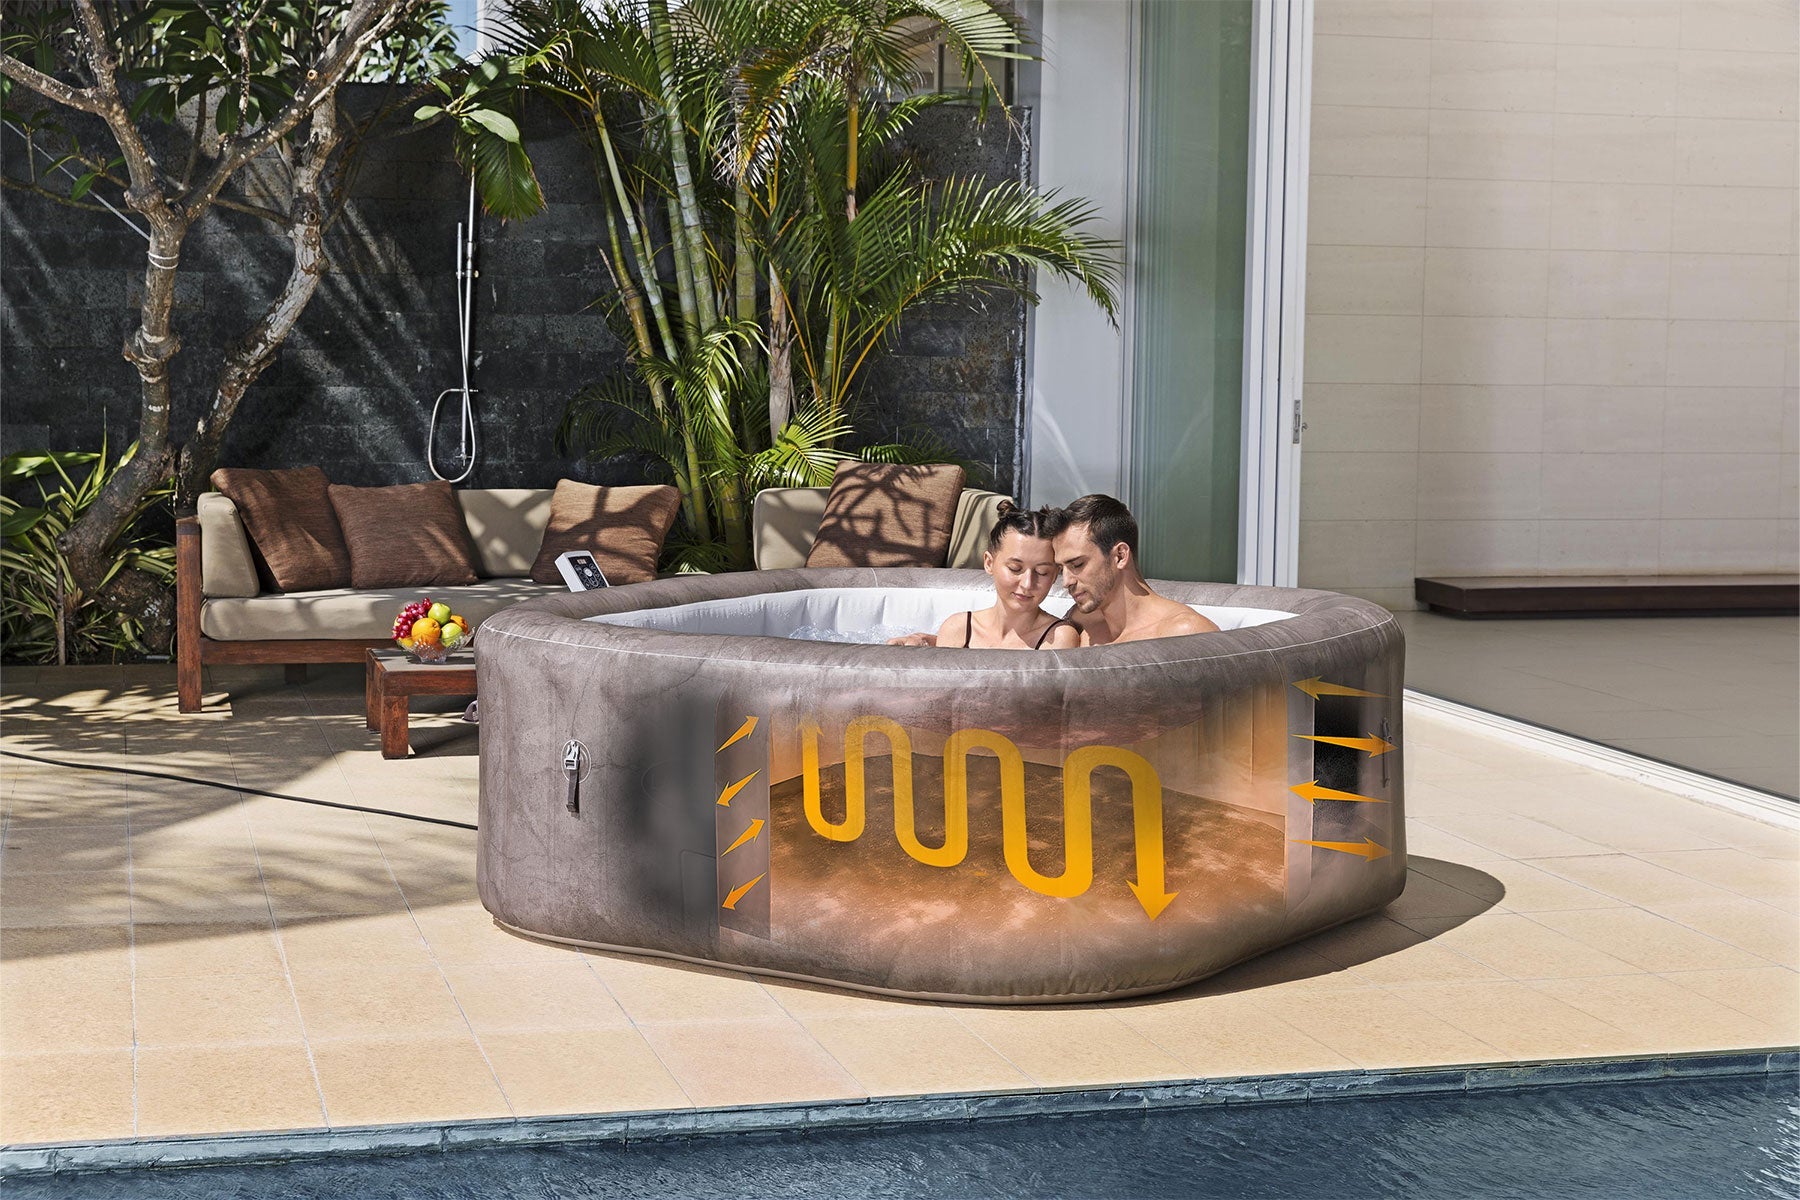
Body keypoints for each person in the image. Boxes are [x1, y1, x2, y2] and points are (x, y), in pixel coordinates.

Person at [887, 502, 1082, 650]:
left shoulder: (1059, 638)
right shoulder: (958, 630)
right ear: (989, 563)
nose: (1027, 583)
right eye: (1015, 568)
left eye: (1042, 572)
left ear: (1056, 573)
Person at [1053, 494, 1219, 644]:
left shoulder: (1185, 633)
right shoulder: (1081, 625)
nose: (1066, 582)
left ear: (1120, 556)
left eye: (1077, 565)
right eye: (1062, 569)